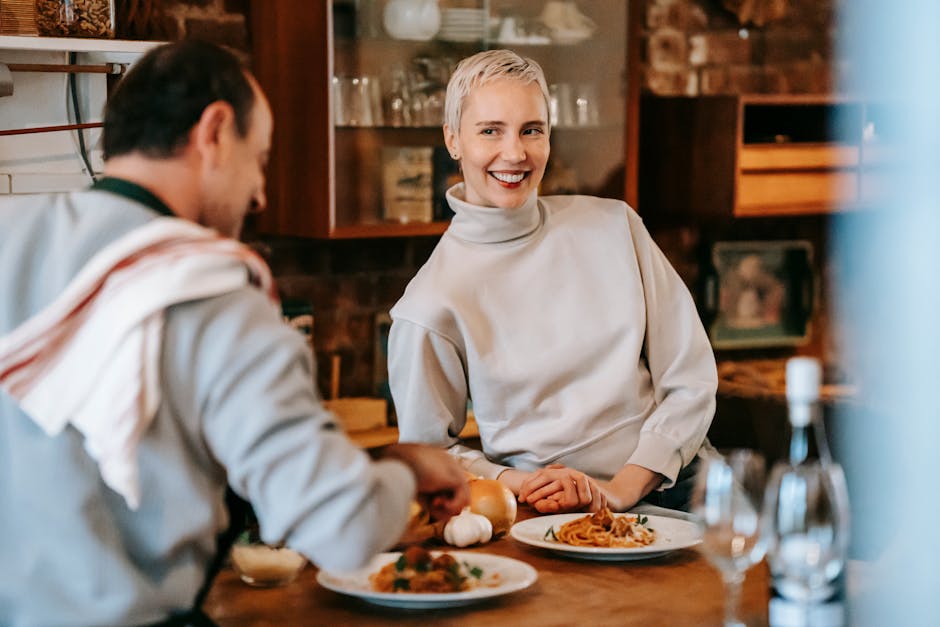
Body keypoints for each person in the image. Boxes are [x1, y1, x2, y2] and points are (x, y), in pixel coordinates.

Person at [0, 40, 468, 626]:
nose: (260, 194)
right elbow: (341, 530)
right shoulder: (215, 293)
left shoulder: (7, 236)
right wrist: (406, 470)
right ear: (215, 132)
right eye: (261, 158)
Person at [388, 49, 717, 516]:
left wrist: (622, 489)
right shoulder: (428, 305)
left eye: (531, 130)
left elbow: (691, 380)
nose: (515, 153)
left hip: (683, 484)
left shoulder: (615, 226)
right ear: (453, 139)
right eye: (490, 131)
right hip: (548, 513)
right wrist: (521, 484)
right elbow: (428, 457)